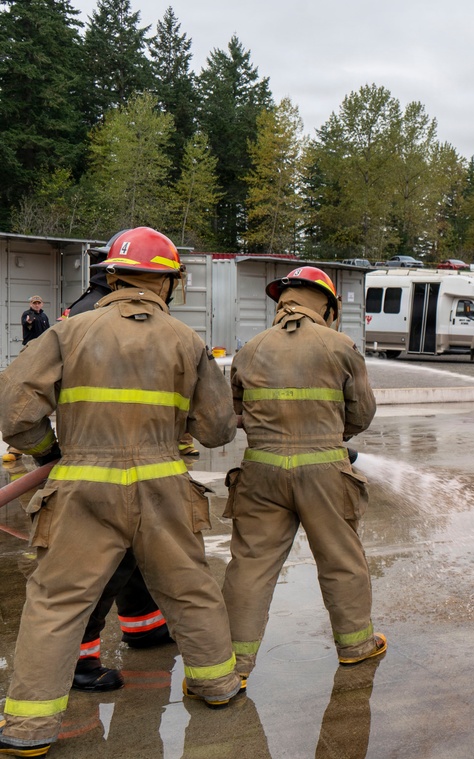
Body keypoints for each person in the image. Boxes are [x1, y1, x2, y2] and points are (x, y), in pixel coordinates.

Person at [0, 227, 242, 757]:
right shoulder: (187, 341)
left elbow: (16, 413)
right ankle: (218, 685)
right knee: (190, 589)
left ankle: (29, 728)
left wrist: (49, 452)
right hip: (163, 485)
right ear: (169, 283)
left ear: (112, 275)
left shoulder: (68, 332)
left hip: (83, 485)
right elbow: (218, 431)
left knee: (56, 601)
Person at [222, 266, 383, 683]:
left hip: (260, 471)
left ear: (282, 303)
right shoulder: (340, 345)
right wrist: (330, 434)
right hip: (325, 472)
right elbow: (362, 413)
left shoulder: (250, 349)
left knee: (250, 567)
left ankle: (234, 666)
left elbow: (236, 410)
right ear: (327, 306)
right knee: (340, 560)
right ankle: (356, 647)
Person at [60, 233, 174, 696]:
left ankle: (143, 626)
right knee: (100, 566)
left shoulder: (86, 307)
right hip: (110, 462)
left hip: (114, 454)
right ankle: (79, 661)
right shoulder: (104, 317)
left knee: (137, 555)